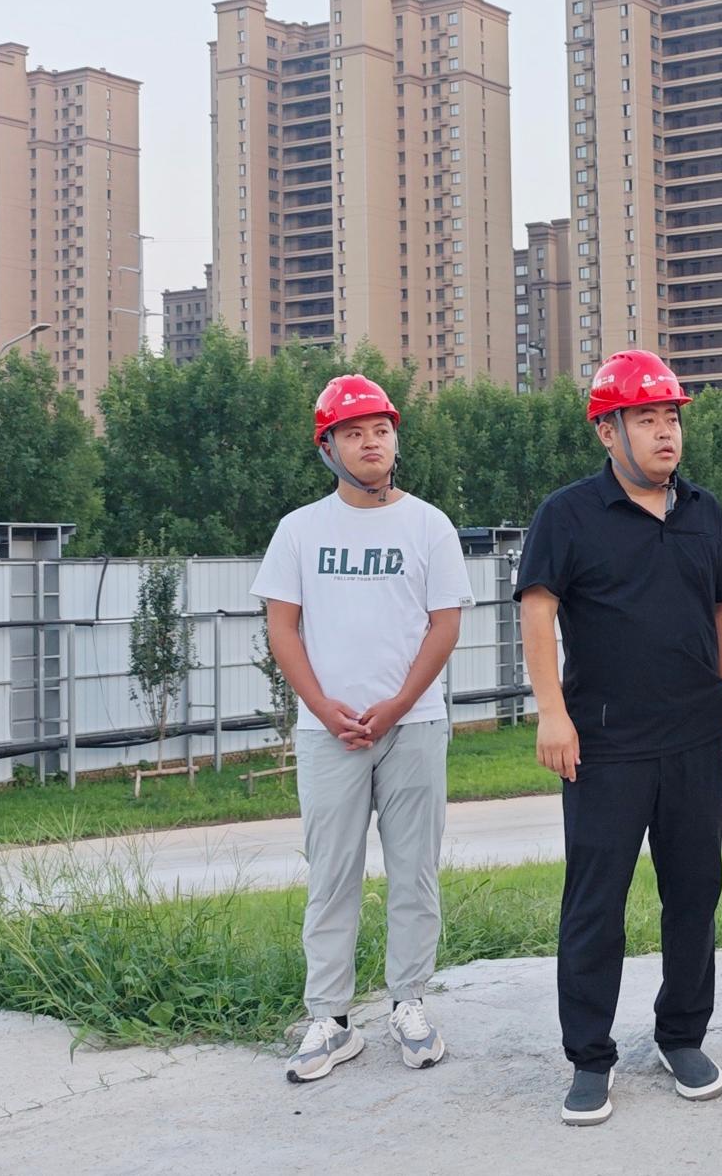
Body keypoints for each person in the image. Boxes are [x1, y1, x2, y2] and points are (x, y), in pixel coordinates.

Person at [514, 349, 722, 1127]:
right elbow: (538, 609)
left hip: (694, 738)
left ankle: (682, 1035)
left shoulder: (704, 512)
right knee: (595, 903)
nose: (665, 432)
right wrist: (552, 712)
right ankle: (590, 1056)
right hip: (604, 744)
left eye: (671, 417)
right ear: (607, 431)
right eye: (646, 419)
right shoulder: (568, 514)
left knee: (694, 893)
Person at [251, 373, 472, 1084]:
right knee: (332, 874)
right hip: (330, 733)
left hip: (414, 726)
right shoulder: (300, 530)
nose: (371, 442)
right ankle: (331, 1019)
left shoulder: (428, 525)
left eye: (381, 430)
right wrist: (322, 707)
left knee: (414, 871)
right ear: (328, 447)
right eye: (353, 432)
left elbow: (444, 626)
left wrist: (400, 703)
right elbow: (282, 628)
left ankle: (409, 1002)